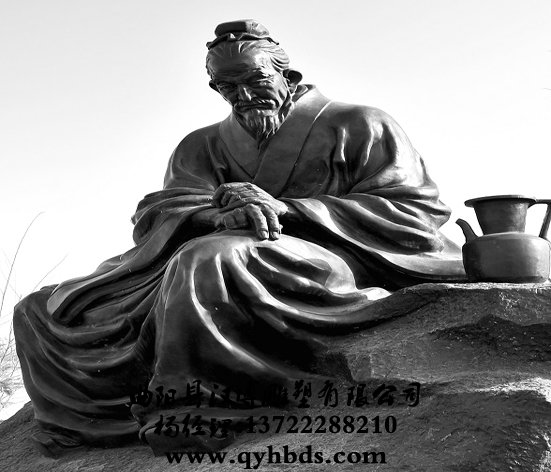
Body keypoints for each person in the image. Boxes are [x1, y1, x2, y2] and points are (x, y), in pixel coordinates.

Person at [14, 19, 465, 454]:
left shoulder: (359, 123)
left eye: (255, 80)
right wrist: (220, 212)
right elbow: (163, 210)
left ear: (287, 74)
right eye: (227, 87)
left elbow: (414, 209)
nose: (244, 96)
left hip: (334, 252)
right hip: (214, 251)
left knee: (207, 259)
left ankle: (198, 406)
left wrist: (287, 209)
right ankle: (83, 422)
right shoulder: (201, 145)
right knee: (39, 308)